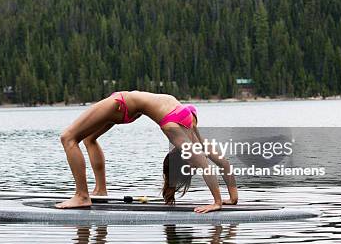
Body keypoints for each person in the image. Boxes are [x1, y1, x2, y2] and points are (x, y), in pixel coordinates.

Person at [57, 91, 238, 213]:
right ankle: (100, 190)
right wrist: (232, 197)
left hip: (121, 104)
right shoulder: (190, 123)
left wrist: (217, 203)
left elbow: (203, 164)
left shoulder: (174, 127)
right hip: (128, 106)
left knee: (68, 138)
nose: (193, 165)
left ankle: (82, 196)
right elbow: (220, 161)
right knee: (89, 139)